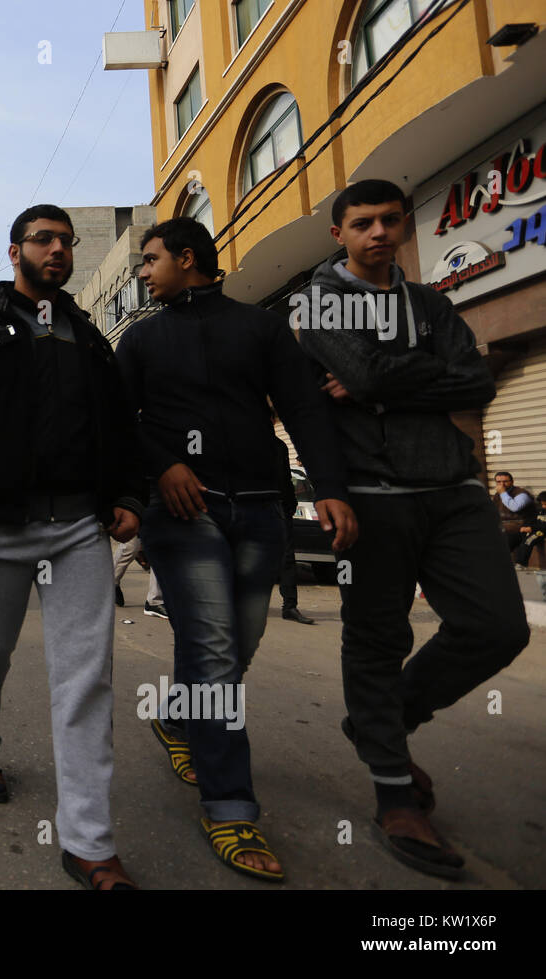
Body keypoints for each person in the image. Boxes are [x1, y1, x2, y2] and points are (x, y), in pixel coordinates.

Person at [293, 179, 530, 880]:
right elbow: (363, 371)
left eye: (390, 220)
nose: (379, 233)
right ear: (339, 233)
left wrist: (379, 383)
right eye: (362, 222)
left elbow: (477, 383)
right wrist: (400, 375)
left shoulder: (428, 301)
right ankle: (395, 794)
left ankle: (381, 720)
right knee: (377, 637)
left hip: (453, 490)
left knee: (497, 627)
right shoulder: (317, 302)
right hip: (372, 496)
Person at [118, 216, 356, 883]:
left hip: (260, 505)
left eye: (151, 259)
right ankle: (229, 804)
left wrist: (330, 488)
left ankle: (176, 718)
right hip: (182, 511)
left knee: (234, 644)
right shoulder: (141, 339)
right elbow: (115, 420)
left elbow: (304, 408)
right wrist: (163, 464)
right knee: (217, 648)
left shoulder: (261, 327)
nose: (143, 271)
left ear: (186, 259)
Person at [0, 203, 146, 890]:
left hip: (79, 525)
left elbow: (118, 423)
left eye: (66, 241)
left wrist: (127, 495)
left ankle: (89, 840)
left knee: (85, 677)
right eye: (44, 240)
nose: (58, 250)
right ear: (15, 249)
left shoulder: (86, 336)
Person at [276, 442, 315, 625]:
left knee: (287, 559)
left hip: (281, 509)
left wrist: (290, 504)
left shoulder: (279, 446)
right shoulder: (243, 441)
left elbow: (285, 479)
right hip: (254, 507)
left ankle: (290, 606)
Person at [492, 472, 535, 551]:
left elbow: (515, 507)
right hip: (503, 529)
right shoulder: (497, 495)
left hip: (519, 529)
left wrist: (502, 493)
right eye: (498, 482)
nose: (502, 484)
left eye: (505, 481)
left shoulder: (522, 494)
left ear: (512, 482)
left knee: (502, 545)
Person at [513, 492, 546, 568]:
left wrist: (532, 528)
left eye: (545, 504)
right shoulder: (540, 511)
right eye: (542, 504)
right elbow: (531, 520)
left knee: (529, 540)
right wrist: (525, 527)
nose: (544, 506)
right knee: (513, 538)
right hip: (534, 529)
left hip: (541, 531)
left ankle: (521, 563)